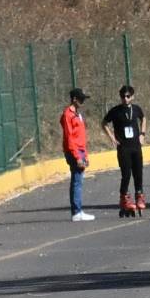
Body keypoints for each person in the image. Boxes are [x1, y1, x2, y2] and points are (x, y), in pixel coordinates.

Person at [102, 84, 149, 217]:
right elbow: (104, 123)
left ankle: (139, 195)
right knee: (126, 174)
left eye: (128, 96)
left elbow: (143, 118)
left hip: (136, 146)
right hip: (123, 148)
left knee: (138, 172)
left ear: (132, 97)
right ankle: (124, 197)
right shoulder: (115, 111)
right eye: (123, 96)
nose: (125, 99)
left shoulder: (136, 109)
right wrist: (111, 137)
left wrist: (142, 134)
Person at [61, 89, 94, 222]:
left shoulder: (77, 114)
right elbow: (69, 138)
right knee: (77, 181)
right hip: (74, 151)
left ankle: (78, 210)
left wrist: (84, 154)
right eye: (81, 99)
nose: (83, 101)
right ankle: (76, 211)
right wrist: (77, 156)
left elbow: (80, 136)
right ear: (74, 99)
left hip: (80, 150)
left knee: (78, 180)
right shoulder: (68, 115)